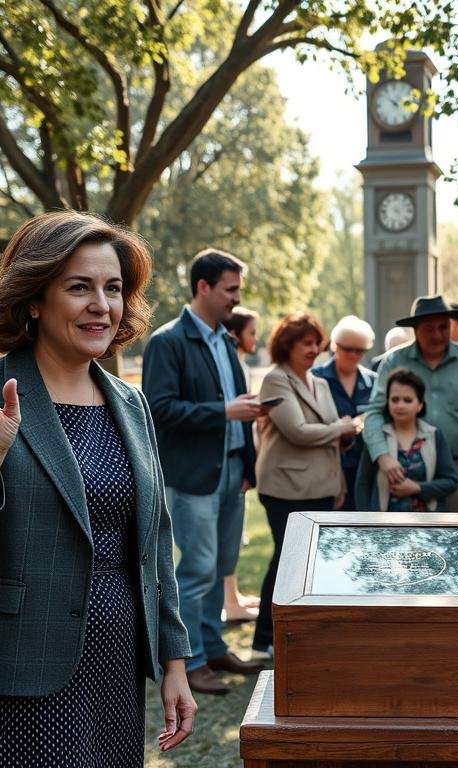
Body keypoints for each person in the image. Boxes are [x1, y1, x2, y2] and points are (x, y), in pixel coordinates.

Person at [0, 211, 195, 764]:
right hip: (9, 670)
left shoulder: (129, 403)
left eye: (113, 288)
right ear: (34, 298)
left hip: (113, 670)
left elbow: (156, 544)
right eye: (79, 287)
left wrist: (174, 662)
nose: (101, 305)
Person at [143, 248, 265, 694]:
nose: (237, 298)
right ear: (203, 287)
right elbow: (158, 410)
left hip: (233, 474)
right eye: (231, 289)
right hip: (193, 477)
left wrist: (248, 465)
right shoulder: (167, 341)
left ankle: (213, 648)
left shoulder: (225, 341)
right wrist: (224, 411)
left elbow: (239, 411)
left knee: (222, 566)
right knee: (196, 570)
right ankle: (190, 660)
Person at [252, 312, 357, 659]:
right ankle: (266, 638)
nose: (314, 349)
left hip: (323, 486)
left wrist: (338, 478)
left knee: (316, 564)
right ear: (287, 345)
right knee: (287, 560)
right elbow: (296, 431)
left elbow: (328, 437)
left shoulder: (322, 383)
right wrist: (342, 429)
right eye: (306, 342)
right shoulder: (275, 380)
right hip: (285, 486)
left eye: (317, 342)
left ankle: (304, 630)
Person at [364, 295, 458, 514]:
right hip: (404, 471)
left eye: (443, 327)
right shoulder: (394, 361)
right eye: (429, 328)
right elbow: (374, 412)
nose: (437, 335)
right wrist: (383, 457)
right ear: (415, 330)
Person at [354, 368, 458, 511]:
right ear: (387, 402)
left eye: (407, 400)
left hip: (427, 525)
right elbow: (363, 484)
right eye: (395, 400)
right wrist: (367, 522)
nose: (400, 405)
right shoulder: (378, 437)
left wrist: (417, 488)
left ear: (420, 404)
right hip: (384, 526)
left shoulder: (434, 435)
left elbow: (451, 481)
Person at [221, 305, 262, 624]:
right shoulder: (230, 363)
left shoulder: (240, 365)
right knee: (219, 543)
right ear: (235, 334)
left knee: (232, 538)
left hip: (237, 461)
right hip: (217, 464)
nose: (256, 338)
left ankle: (232, 597)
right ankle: (228, 602)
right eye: (252, 332)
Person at [313, 315, 377, 511]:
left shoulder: (374, 382)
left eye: (360, 350)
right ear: (335, 345)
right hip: (327, 467)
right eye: (347, 349)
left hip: (365, 466)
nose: (353, 355)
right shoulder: (316, 379)